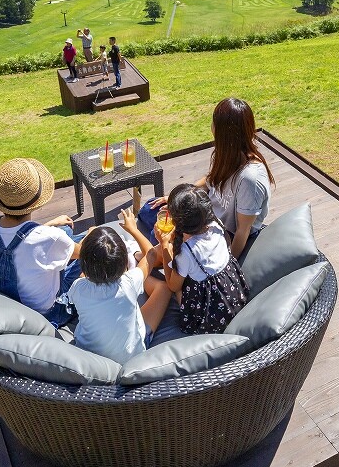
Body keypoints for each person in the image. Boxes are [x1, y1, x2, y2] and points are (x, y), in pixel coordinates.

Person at [139, 97, 273, 260]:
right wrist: (180, 199)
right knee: (148, 210)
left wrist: (227, 268)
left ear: (223, 132)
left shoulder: (250, 178)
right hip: (204, 213)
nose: (211, 127)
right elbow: (210, 180)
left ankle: (156, 256)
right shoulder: (227, 154)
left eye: (213, 123)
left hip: (217, 234)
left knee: (158, 233)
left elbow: (242, 232)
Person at [0, 158, 85, 326]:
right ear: (36, 202)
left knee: (64, 231)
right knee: (93, 241)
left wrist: (50, 224)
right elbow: (83, 253)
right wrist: (94, 233)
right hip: (49, 312)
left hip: (10, 303)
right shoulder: (48, 238)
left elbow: (21, 240)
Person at [66, 210, 172, 363]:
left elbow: (84, 277)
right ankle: (132, 265)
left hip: (91, 357)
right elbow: (151, 254)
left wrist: (90, 234)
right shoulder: (129, 282)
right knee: (163, 288)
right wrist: (133, 229)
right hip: (131, 356)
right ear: (123, 263)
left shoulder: (78, 288)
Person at [150, 184, 248, 335]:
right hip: (234, 297)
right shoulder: (216, 224)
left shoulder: (187, 252)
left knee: (178, 285)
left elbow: (173, 286)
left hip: (211, 315)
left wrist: (164, 246)